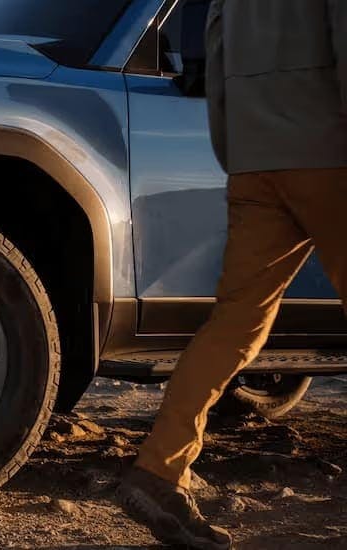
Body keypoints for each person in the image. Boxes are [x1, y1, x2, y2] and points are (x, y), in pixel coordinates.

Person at [115, 0, 347, 548]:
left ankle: (160, 470)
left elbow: (217, 75)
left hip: (255, 164)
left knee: (236, 324)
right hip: (331, 157)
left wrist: (241, 157)